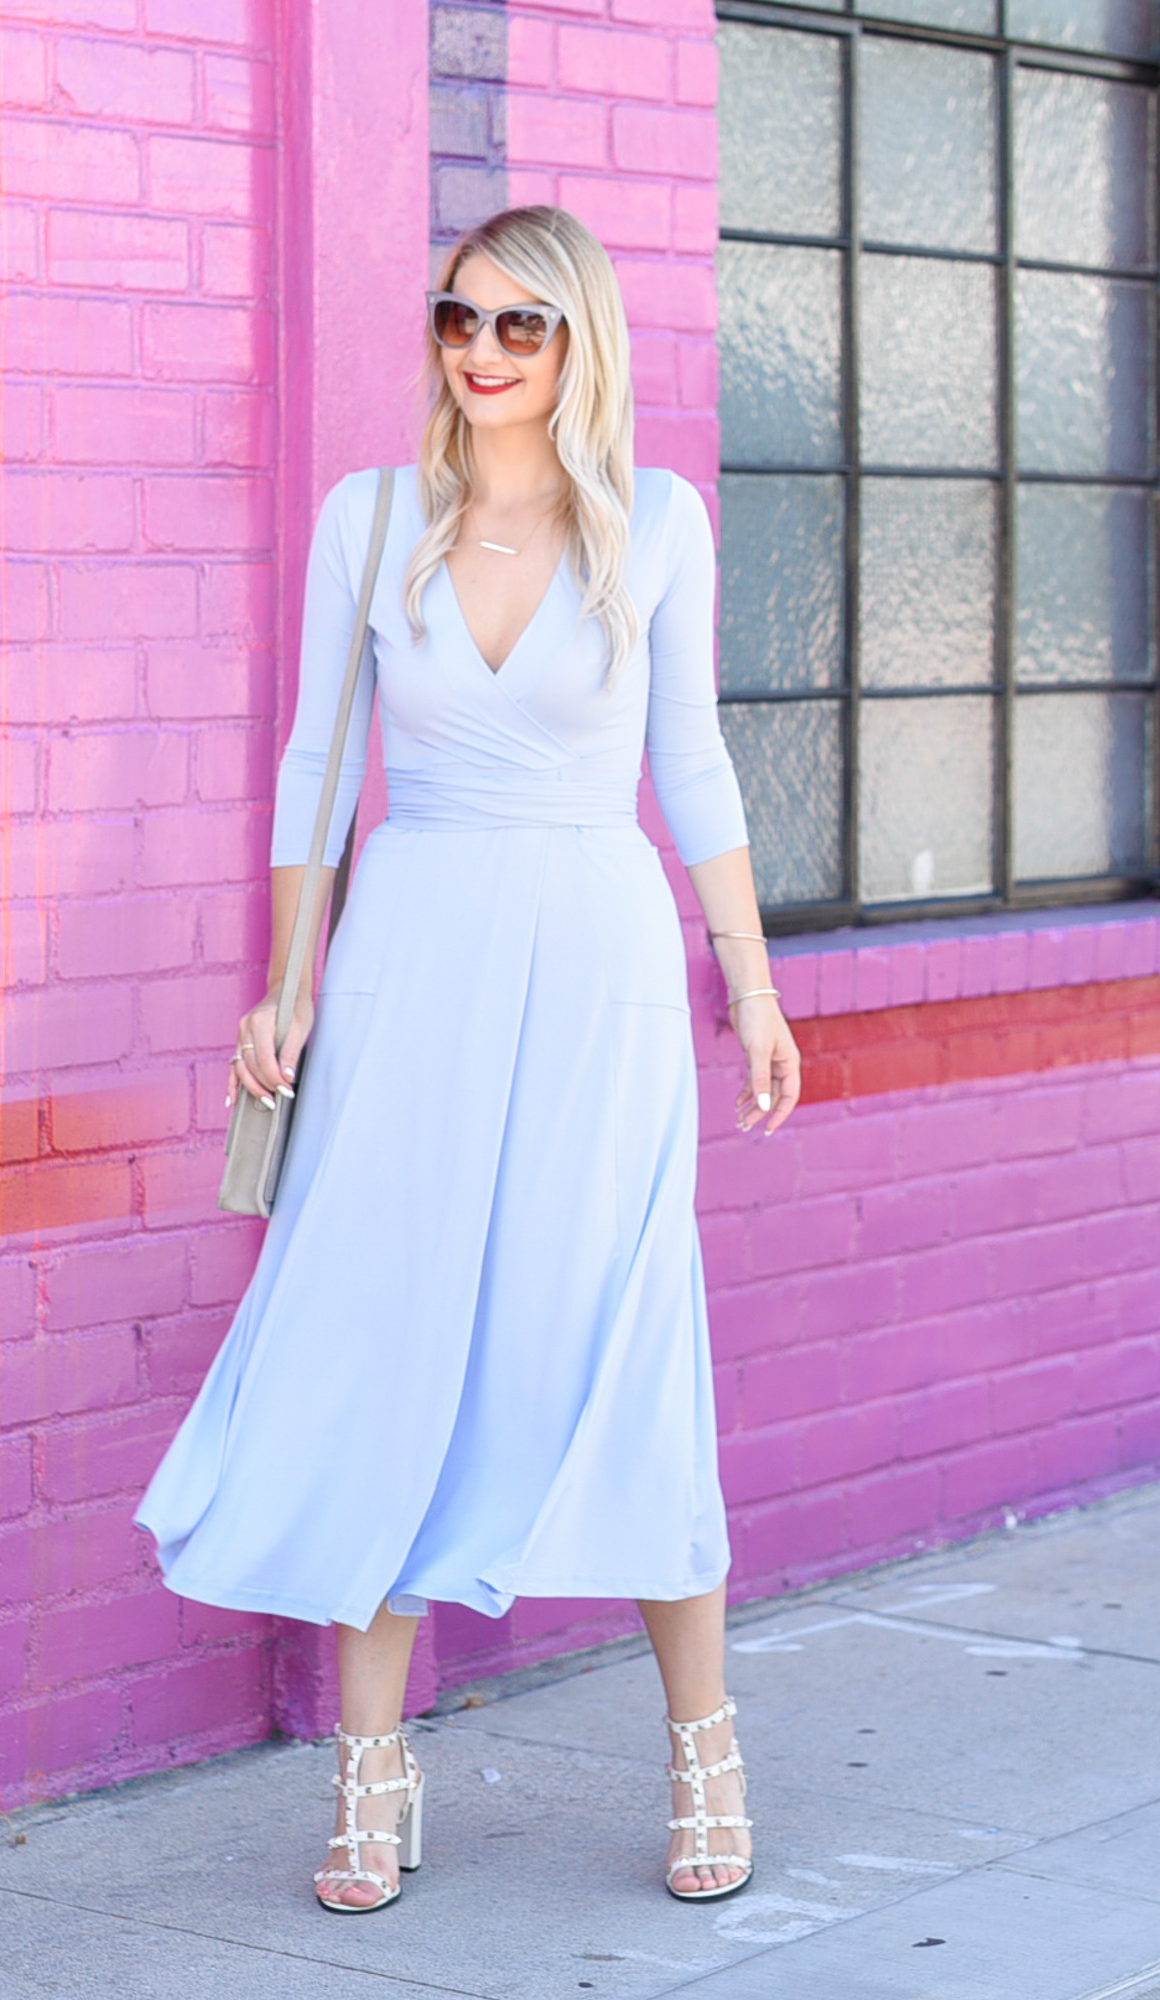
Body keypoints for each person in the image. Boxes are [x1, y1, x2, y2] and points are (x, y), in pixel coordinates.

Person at [135, 205, 798, 1914]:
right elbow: (313, 770)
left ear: (582, 344)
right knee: (386, 1328)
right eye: (458, 321)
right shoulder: (371, 523)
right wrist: (285, 983)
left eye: (522, 327)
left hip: (598, 964)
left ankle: (706, 1749)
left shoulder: (657, 524)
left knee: (623, 1329)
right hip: (405, 957)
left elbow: (695, 767)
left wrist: (755, 982)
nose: (483, 354)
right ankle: (371, 1781)